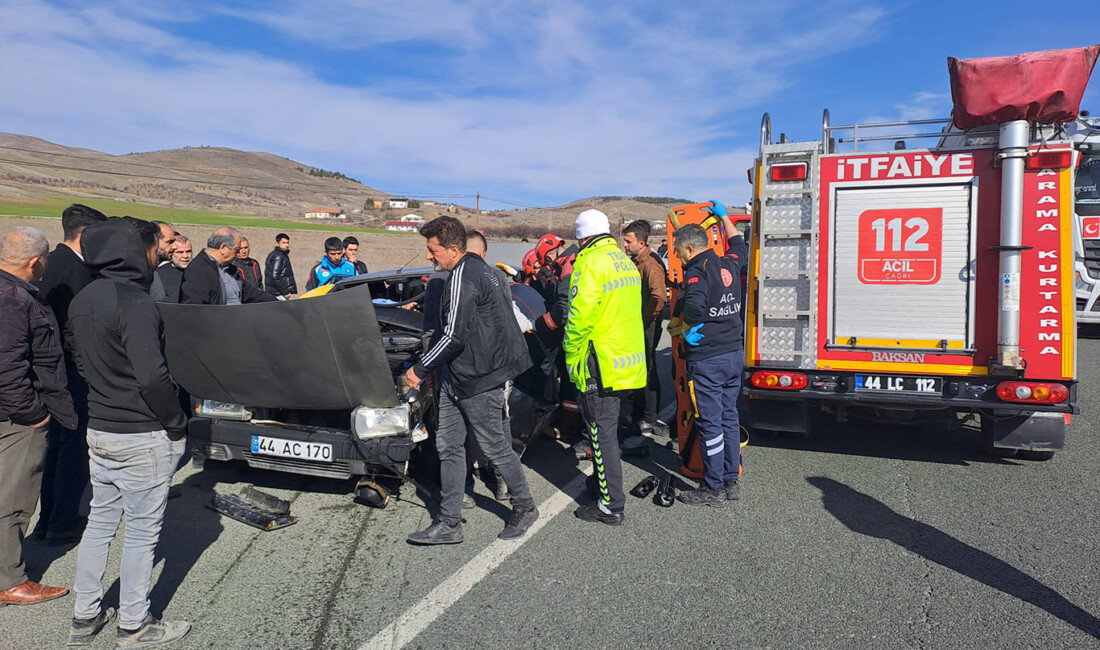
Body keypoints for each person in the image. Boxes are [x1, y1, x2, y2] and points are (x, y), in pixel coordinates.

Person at [67, 217, 192, 647]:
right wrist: (176, 425)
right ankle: (135, 625)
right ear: (130, 250)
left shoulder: (83, 299)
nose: (158, 249)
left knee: (100, 523)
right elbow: (153, 377)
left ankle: (85, 616)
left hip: (100, 428)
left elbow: (81, 364)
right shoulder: (135, 301)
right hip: (142, 432)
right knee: (142, 532)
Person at [403, 216, 537, 545]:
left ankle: (525, 506)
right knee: (448, 445)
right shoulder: (478, 270)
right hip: (455, 376)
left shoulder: (465, 276)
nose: (429, 256)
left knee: (494, 446)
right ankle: (449, 523)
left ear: (451, 248)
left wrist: (421, 368)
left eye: (432, 250)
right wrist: (438, 370)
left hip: (478, 380)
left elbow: (454, 335)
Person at [0, 227, 76, 607]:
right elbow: (8, 367)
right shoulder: (14, 300)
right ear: (36, 261)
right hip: (14, 418)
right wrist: (33, 415)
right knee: (14, 497)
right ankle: (11, 580)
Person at [563, 210, 646, 526]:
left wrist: (571, 359)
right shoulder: (624, 261)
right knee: (608, 428)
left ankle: (611, 506)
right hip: (625, 361)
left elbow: (579, 318)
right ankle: (602, 486)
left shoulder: (589, 262)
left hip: (599, 362)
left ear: (583, 237)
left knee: (601, 433)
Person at [33, 204, 106, 544]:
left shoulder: (55, 264)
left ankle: (48, 521)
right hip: (71, 375)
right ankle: (61, 522)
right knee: (71, 450)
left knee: (57, 449)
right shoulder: (75, 273)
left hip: (55, 373)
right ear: (87, 235)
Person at [668, 203, 746, 507]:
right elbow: (739, 243)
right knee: (729, 418)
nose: (678, 255)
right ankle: (731, 480)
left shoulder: (697, 273)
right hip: (733, 354)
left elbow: (696, 307)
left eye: (678, 250)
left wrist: (686, 331)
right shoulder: (728, 263)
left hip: (709, 360)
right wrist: (724, 217)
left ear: (690, 248)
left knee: (710, 423)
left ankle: (713, 488)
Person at [621, 220, 668, 436]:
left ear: (641, 243)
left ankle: (649, 417)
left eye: (628, 241)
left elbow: (659, 296)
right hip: (639, 323)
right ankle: (639, 413)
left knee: (648, 368)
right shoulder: (636, 261)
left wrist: (645, 319)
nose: (624, 245)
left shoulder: (650, 264)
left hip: (647, 324)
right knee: (640, 367)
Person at [180, 227, 276, 305]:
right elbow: (195, 309)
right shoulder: (199, 270)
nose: (238, 253)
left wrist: (279, 302)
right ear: (223, 248)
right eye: (236, 250)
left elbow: (251, 294)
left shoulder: (229, 269)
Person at [151, 235, 192, 303]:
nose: (185, 256)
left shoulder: (200, 270)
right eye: (180, 252)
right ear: (171, 253)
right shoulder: (159, 274)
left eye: (188, 251)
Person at [264, 233, 297, 299]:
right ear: (277, 243)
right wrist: (286, 291)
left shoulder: (277, 254)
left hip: (275, 292)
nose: (287, 245)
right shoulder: (278, 256)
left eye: (287, 242)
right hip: (278, 293)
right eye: (284, 243)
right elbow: (274, 277)